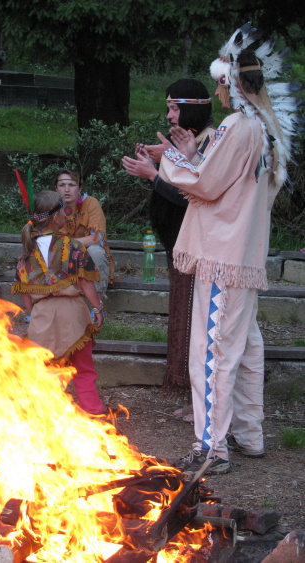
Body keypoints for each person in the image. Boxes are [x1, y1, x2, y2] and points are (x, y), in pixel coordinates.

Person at [134, 23, 302, 475]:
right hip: (243, 256)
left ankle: (211, 448)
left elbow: (205, 183)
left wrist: (171, 159)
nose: (216, 92)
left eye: (220, 83)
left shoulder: (237, 125)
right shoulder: (266, 128)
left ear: (232, 83)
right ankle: (249, 434)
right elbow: (227, 182)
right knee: (245, 348)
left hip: (223, 256)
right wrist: (188, 155)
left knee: (211, 354)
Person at [122, 80, 215, 420]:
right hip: (181, 248)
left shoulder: (212, 141)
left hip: (201, 251)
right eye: (169, 108)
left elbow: (194, 195)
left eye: (175, 108)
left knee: (199, 327)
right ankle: (196, 397)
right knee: (185, 321)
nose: (170, 116)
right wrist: (162, 158)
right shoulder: (195, 141)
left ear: (191, 108)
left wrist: (153, 174)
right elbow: (182, 180)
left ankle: (205, 403)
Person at [11, 190, 106, 415]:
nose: (66, 213)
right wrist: (97, 307)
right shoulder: (73, 246)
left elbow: (25, 292)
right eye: (63, 209)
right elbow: (85, 282)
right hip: (73, 315)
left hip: (41, 317)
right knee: (84, 370)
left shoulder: (26, 253)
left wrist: (32, 314)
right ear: (56, 217)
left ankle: (45, 418)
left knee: (45, 372)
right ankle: (94, 412)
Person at [55, 169, 113, 300]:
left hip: (88, 256)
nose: (67, 189)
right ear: (56, 188)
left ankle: (97, 304)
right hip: (62, 257)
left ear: (79, 188)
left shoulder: (91, 203)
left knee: (95, 251)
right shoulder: (51, 207)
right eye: (62, 185)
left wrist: (66, 243)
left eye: (72, 185)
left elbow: (97, 239)